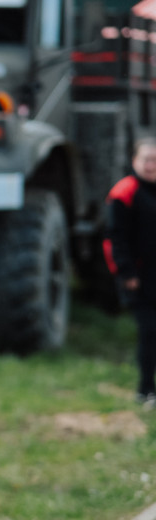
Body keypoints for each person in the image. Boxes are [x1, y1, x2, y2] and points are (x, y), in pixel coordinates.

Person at [104, 137, 156, 407]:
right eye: (146, 159)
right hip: (140, 278)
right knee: (149, 333)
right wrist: (126, 274)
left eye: (155, 160)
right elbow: (115, 238)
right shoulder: (125, 192)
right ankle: (146, 389)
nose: (151, 165)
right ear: (134, 161)